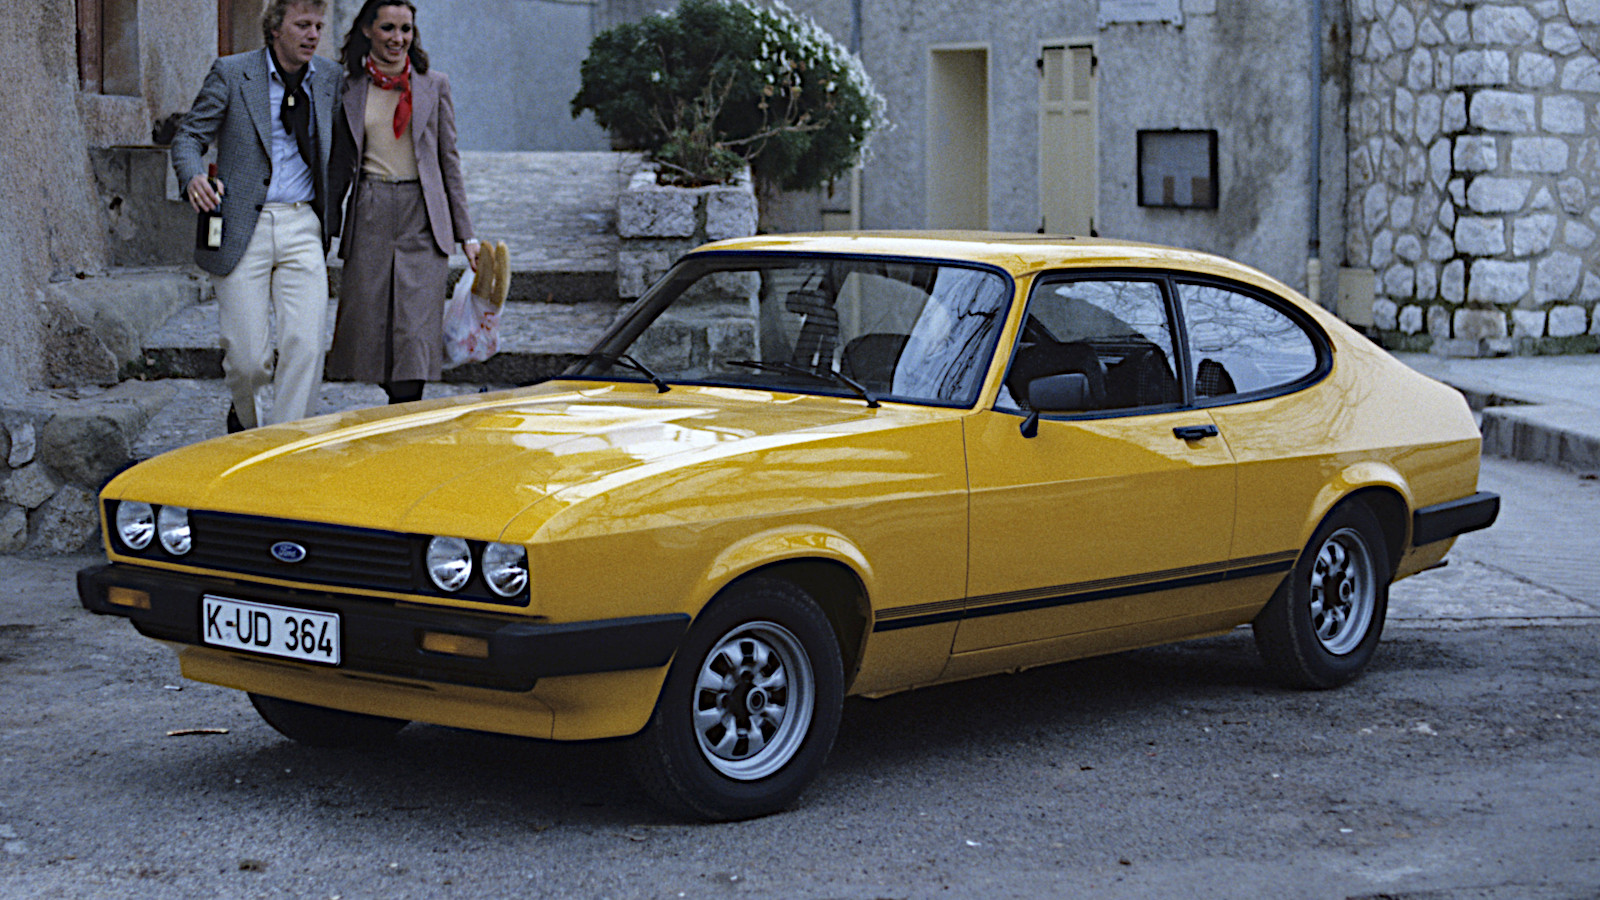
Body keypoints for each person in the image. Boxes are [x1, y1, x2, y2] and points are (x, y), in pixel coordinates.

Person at [171, 0, 340, 432]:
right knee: (247, 361)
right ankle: (249, 423)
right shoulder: (232, 73)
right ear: (275, 28)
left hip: (303, 222)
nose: (312, 35)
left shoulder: (330, 79)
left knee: (305, 345)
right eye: (302, 25)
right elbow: (189, 136)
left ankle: (281, 450)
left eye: (318, 26)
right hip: (242, 224)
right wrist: (193, 177)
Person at [326, 0, 478, 405]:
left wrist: (467, 236)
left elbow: (449, 162)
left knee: (415, 332)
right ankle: (396, 408)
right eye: (388, 28)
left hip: (422, 216)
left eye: (406, 29)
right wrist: (323, 227)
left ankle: (406, 410)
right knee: (371, 327)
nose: (398, 38)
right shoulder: (348, 88)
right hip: (370, 209)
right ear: (367, 30)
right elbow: (339, 164)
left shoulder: (433, 84)